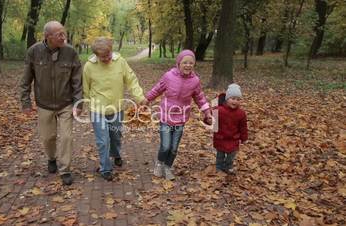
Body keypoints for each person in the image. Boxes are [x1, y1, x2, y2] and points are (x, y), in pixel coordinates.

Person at [19, 21, 82, 186]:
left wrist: (78, 103)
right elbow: (26, 80)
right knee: (48, 138)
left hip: (66, 103)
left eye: (64, 33)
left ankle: (65, 169)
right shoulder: (34, 52)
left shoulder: (70, 52)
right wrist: (25, 103)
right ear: (48, 37)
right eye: (59, 34)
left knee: (66, 137)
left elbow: (77, 81)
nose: (64, 37)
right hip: (44, 104)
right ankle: (51, 158)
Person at [83, 37, 146, 181]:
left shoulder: (120, 62)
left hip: (116, 108)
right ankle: (105, 168)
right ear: (96, 55)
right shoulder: (89, 66)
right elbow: (85, 88)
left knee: (115, 137)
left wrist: (140, 97)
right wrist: (86, 105)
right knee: (103, 140)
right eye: (102, 56)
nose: (106, 58)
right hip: (97, 110)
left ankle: (116, 154)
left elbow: (131, 80)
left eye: (108, 55)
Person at [144, 50, 212, 180]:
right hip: (166, 116)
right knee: (165, 146)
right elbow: (158, 88)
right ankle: (159, 163)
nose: (188, 65)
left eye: (191, 63)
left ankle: (168, 167)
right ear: (178, 63)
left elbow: (200, 98)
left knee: (174, 148)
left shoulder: (195, 81)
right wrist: (147, 100)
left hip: (181, 118)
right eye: (185, 62)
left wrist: (207, 112)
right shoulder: (169, 76)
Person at [213, 83, 248, 175]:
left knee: (231, 155)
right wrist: (208, 119)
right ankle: (219, 167)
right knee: (220, 155)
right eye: (232, 98)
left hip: (233, 138)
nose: (235, 101)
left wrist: (244, 138)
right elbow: (211, 119)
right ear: (227, 99)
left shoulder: (241, 113)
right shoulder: (219, 110)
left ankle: (228, 166)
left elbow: (243, 127)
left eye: (238, 99)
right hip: (220, 137)